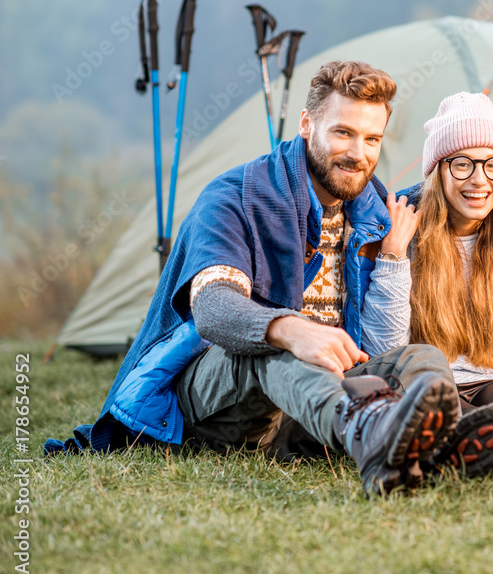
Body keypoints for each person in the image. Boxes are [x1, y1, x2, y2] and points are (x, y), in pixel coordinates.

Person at [45, 61, 462, 497]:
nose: (359, 153)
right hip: (225, 399)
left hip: (312, 409)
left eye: (372, 138)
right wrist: (290, 329)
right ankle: (371, 433)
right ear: (307, 124)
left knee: (421, 359)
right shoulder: (235, 197)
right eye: (343, 132)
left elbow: (466, 190)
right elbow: (213, 308)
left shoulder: (377, 213)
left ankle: (443, 446)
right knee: (269, 342)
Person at [359, 91, 493, 476]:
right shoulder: (408, 235)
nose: (479, 180)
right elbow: (384, 351)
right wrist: (392, 258)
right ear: (438, 170)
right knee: (447, 407)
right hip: (426, 387)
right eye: (462, 164)